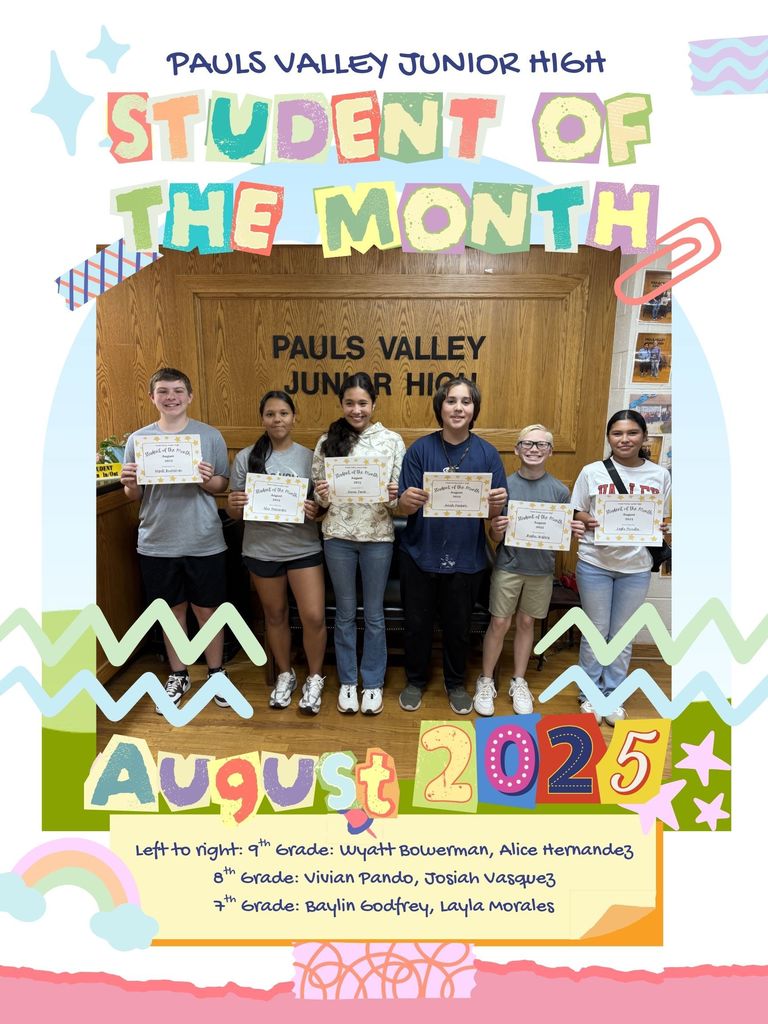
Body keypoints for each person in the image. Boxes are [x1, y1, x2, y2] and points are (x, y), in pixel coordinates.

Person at [120, 368, 231, 712]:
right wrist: (130, 483)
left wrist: (206, 480)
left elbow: (222, 485)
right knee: (171, 613)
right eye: (164, 391)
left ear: (190, 396)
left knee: (208, 610)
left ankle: (216, 673)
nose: (171, 397)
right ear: (152, 397)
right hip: (157, 540)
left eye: (178, 391)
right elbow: (134, 495)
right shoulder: (138, 440)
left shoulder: (209, 436)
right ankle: (179, 674)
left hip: (203, 538)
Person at [397, 378, 507, 715]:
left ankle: (455, 683)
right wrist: (406, 501)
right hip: (419, 554)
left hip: (466, 557)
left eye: (466, 402)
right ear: (440, 407)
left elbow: (494, 519)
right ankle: (415, 681)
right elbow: (403, 508)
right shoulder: (419, 450)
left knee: (458, 628)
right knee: (416, 625)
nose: (458, 408)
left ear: (474, 409)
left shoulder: (488, 454)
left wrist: (496, 507)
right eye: (451, 401)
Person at [475, 424, 585, 716]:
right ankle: (486, 680)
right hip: (508, 567)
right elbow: (494, 536)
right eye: (527, 443)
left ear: (550, 451)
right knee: (500, 623)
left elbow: (562, 534)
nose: (534, 449)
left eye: (541, 445)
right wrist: (497, 529)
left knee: (526, 623)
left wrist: (573, 530)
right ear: (516, 449)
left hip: (541, 570)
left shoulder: (560, 491)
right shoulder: (505, 487)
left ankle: (519, 681)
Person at [312, 373, 405, 716]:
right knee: (345, 613)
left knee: (375, 614)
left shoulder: (392, 441)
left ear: (374, 404)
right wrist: (322, 495)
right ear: (342, 404)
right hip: (337, 537)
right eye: (350, 403)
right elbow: (319, 501)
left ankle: (374, 682)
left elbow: (398, 502)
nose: (356, 410)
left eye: (363, 403)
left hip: (378, 537)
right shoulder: (327, 441)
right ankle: (349, 681)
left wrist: (395, 494)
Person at [227, 391, 326, 713]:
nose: (277, 419)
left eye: (283, 413)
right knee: (275, 615)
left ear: (294, 418)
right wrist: (234, 504)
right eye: (270, 414)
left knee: (313, 616)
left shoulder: (310, 457)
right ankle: (286, 674)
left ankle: (315, 677)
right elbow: (234, 513)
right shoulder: (246, 458)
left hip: (302, 547)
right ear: (263, 419)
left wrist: (316, 510)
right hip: (261, 550)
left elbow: (322, 506)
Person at [571, 409, 671, 724]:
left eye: (632, 433)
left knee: (623, 634)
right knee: (595, 631)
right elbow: (575, 511)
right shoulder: (591, 472)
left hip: (636, 566)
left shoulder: (660, 475)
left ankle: (613, 693)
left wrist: (663, 528)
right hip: (594, 563)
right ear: (609, 437)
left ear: (643, 436)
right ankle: (589, 694)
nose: (624, 439)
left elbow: (660, 518)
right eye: (617, 433)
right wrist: (586, 519)